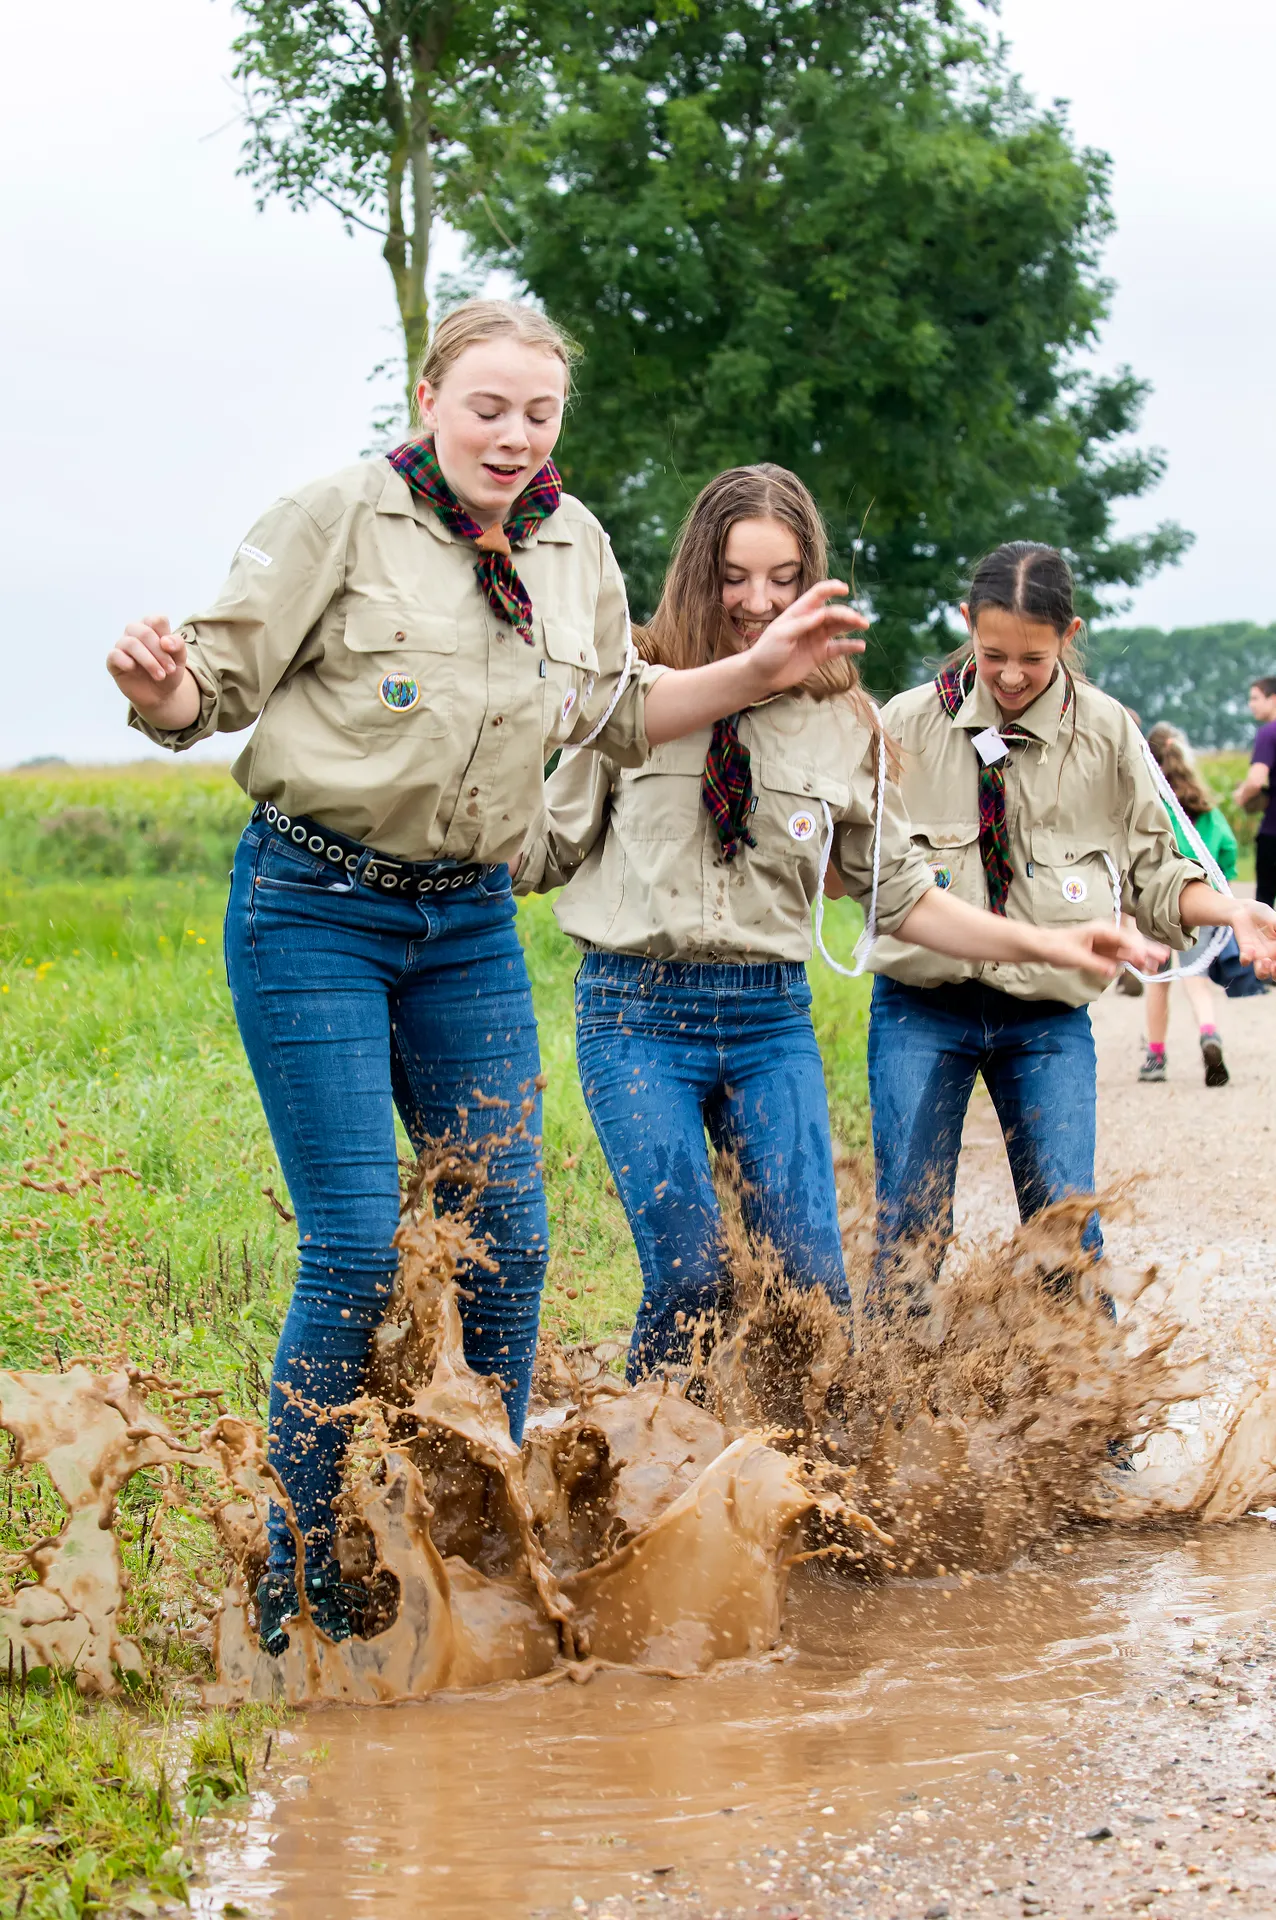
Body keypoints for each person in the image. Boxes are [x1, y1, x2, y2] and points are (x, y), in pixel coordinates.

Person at [105, 303, 871, 1653]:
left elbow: (620, 713)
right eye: (488, 409)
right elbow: (210, 689)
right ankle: (295, 1571)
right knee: (350, 1248)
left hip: (461, 925)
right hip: (315, 907)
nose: (514, 437)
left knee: (511, 1239)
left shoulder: (572, 549)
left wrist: (753, 669)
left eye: (540, 414)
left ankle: (472, 1536)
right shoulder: (338, 518)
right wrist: (163, 692)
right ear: (429, 398)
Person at [518, 470, 1147, 1379]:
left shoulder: (844, 722)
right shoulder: (634, 689)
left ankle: (800, 1485)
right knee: (692, 1277)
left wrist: (1049, 943)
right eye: (736, 576)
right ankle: (640, 1483)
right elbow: (539, 850)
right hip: (636, 1016)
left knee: (815, 1294)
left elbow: (902, 897)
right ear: (700, 571)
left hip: (769, 1019)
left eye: (782, 577)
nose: (758, 601)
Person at [866, 543, 1276, 1317]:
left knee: (1067, 1240)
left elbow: (1161, 873)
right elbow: (865, 875)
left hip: (1048, 1023)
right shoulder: (907, 725)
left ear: (1070, 634)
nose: (1013, 675)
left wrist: (1232, 910)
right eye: (993, 655)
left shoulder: (1109, 734)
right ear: (966, 625)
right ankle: (891, 1427)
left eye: (1033, 655)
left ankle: (1095, 1438)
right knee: (908, 1239)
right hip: (921, 1010)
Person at [1138, 724, 1238, 1087]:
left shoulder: (1151, 801)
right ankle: (1210, 1033)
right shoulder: (1203, 806)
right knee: (1196, 978)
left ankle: (1156, 1057)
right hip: (1203, 898)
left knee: (1159, 981)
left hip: (1156, 899)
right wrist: (1222, 883)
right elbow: (1227, 847)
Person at [1234, 674, 1276, 910]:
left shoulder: (1269, 733)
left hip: (1275, 830)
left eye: (1255, 698)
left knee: (1265, 901)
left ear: (1273, 699)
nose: (1251, 704)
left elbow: (1256, 779)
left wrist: (1240, 797)